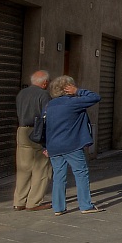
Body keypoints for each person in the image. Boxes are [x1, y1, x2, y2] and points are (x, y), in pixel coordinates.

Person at [41, 75, 103, 214]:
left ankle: (58, 208)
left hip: (54, 146)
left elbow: (45, 128)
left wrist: (45, 146)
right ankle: (86, 205)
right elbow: (95, 97)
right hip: (72, 145)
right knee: (81, 173)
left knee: (58, 176)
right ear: (68, 88)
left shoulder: (49, 106)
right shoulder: (73, 102)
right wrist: (78, 91)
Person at [13, 70, 52, 211]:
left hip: (22, 130)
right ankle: (34, 202)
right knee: (41, 168)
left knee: (23, 167)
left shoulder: (21, 93)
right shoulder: (44, 95)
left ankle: (19, 201)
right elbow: (48, 116)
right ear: (45, 82)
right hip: (37, 132)